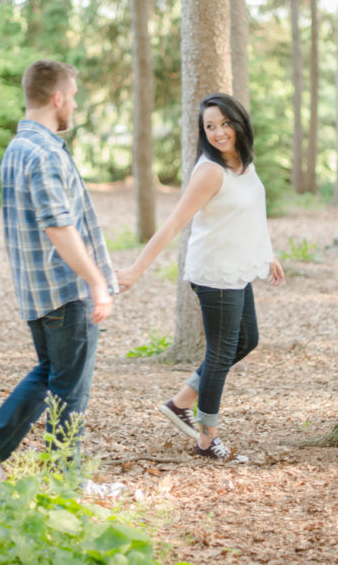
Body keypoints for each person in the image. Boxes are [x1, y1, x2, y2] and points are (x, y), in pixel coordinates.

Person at [0, 59, 117, 484]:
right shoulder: (45, 152)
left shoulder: (17, 149)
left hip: (36, 292)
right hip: (66, 291)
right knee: (71, 391)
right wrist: (96, 280)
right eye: (75, 98)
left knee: (51, 376)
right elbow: (58, 226)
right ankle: (64, 481)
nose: (76, 107)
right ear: (58, 98)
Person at [117, 93, 284, 461]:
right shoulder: (210, 171)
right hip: (215, 273)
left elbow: (252, 214)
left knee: (247, 340)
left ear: (239, 124)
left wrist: (267, 253)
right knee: (222, 353)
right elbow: (174, 224)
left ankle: (179, 404)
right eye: (210, 126)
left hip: (238, 269)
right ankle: (207, 439)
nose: (218, 132)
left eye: (224, 124)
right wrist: (135, 270)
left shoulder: (243, 163)